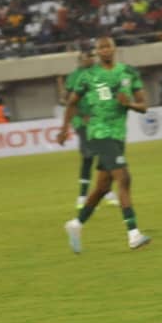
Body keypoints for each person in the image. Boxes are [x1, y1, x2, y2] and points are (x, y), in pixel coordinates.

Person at [57, 36, 151, 252]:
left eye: (108, 46)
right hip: (99, 132)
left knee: (102, 188)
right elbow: (72, 102)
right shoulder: (88, 76)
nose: (105, 50)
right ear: (97, 52)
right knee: (124, 177)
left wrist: (130, 104)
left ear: (114, 49)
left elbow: (144, 106)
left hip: (118, 134)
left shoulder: (128, 72)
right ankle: (133, 234)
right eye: (101, 47)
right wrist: (64, 129)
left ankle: (76, 224)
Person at [58, 45, 119, 210]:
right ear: (81, 60)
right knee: (89, 156)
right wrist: (81, 113)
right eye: (88, 57)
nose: (91, 59)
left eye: (92, 56)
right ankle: (83, 197)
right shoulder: (74, 76)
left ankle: (104, 192)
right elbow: (66, 100)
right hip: (81, 121)